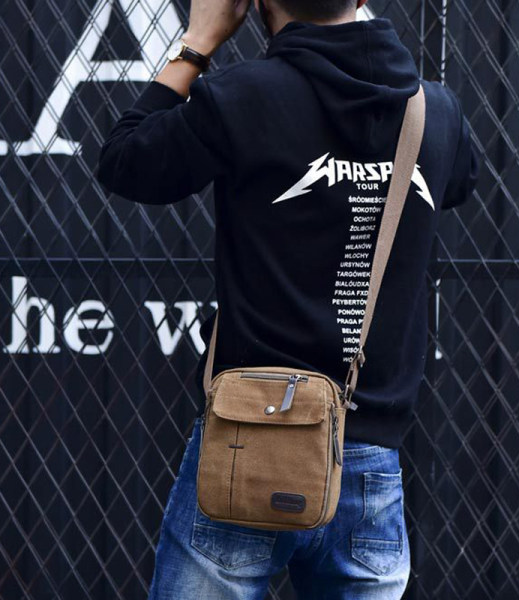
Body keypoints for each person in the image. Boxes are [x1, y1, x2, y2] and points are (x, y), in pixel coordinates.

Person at [96, 0, 479, 598]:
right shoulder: (433, 111)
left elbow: (125, 161)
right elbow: (460, 180)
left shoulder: (241, 97)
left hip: (247, 440)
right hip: (370, 465)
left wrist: (198, 42)